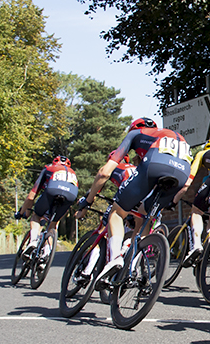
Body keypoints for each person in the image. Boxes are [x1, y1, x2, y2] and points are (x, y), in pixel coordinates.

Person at [76, 117, 193, 276]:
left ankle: (115, 259)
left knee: (117, 213)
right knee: (145, 217)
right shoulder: (167, 136)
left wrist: (88, 201)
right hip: (183, 173)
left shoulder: (135, 134)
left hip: (155, 165)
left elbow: (104, 172)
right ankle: (133, 266)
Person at [17, 155, 80, 258]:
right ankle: (46, 253)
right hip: (71, 195)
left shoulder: (48, 168)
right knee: (53, 225)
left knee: (36, 216)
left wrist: (22, 212)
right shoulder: (73, 173)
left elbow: (32, 195)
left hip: (52, 191)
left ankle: (33, 241)